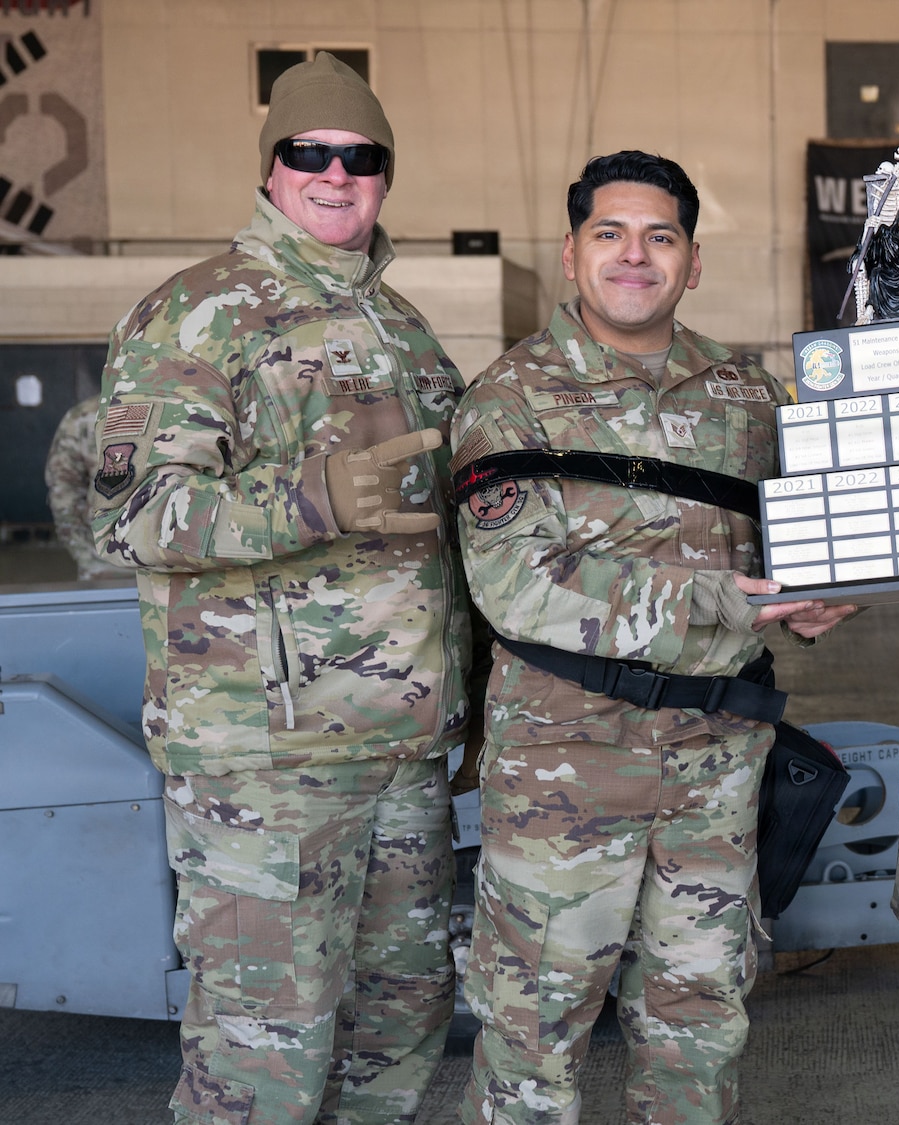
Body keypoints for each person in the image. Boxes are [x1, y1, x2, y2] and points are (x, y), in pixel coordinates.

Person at [90, 52, 470, 1125]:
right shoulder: (199, 314)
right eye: (311, 152)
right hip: (264, 765)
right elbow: (133, 515)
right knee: (262, 1054)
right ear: (270, 169)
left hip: (398, 752)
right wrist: (312, 499)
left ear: (386, 174)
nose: (336, 173)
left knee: (399, 1028)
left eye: (361, 156)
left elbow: (437, 539)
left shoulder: (401, 328)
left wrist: (474, 694)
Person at [451, 150, 853, 1125]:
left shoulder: (745, 398)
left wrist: (818, 592)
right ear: (570, 253)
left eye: (659, 236)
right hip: (564, 777)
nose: (636, 256)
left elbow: (792, 547)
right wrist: (723, 601)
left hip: (714, 775)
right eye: (611, 234)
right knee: (531, 1043)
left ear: (692, 260)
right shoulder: (511, 399)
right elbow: (519, 588)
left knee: (697, 1030)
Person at [46, 396, 124, 578]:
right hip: (107, 564)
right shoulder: (84, 416)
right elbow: (64, 490)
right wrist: (86, 555)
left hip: (182, 564)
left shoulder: (189, 406)